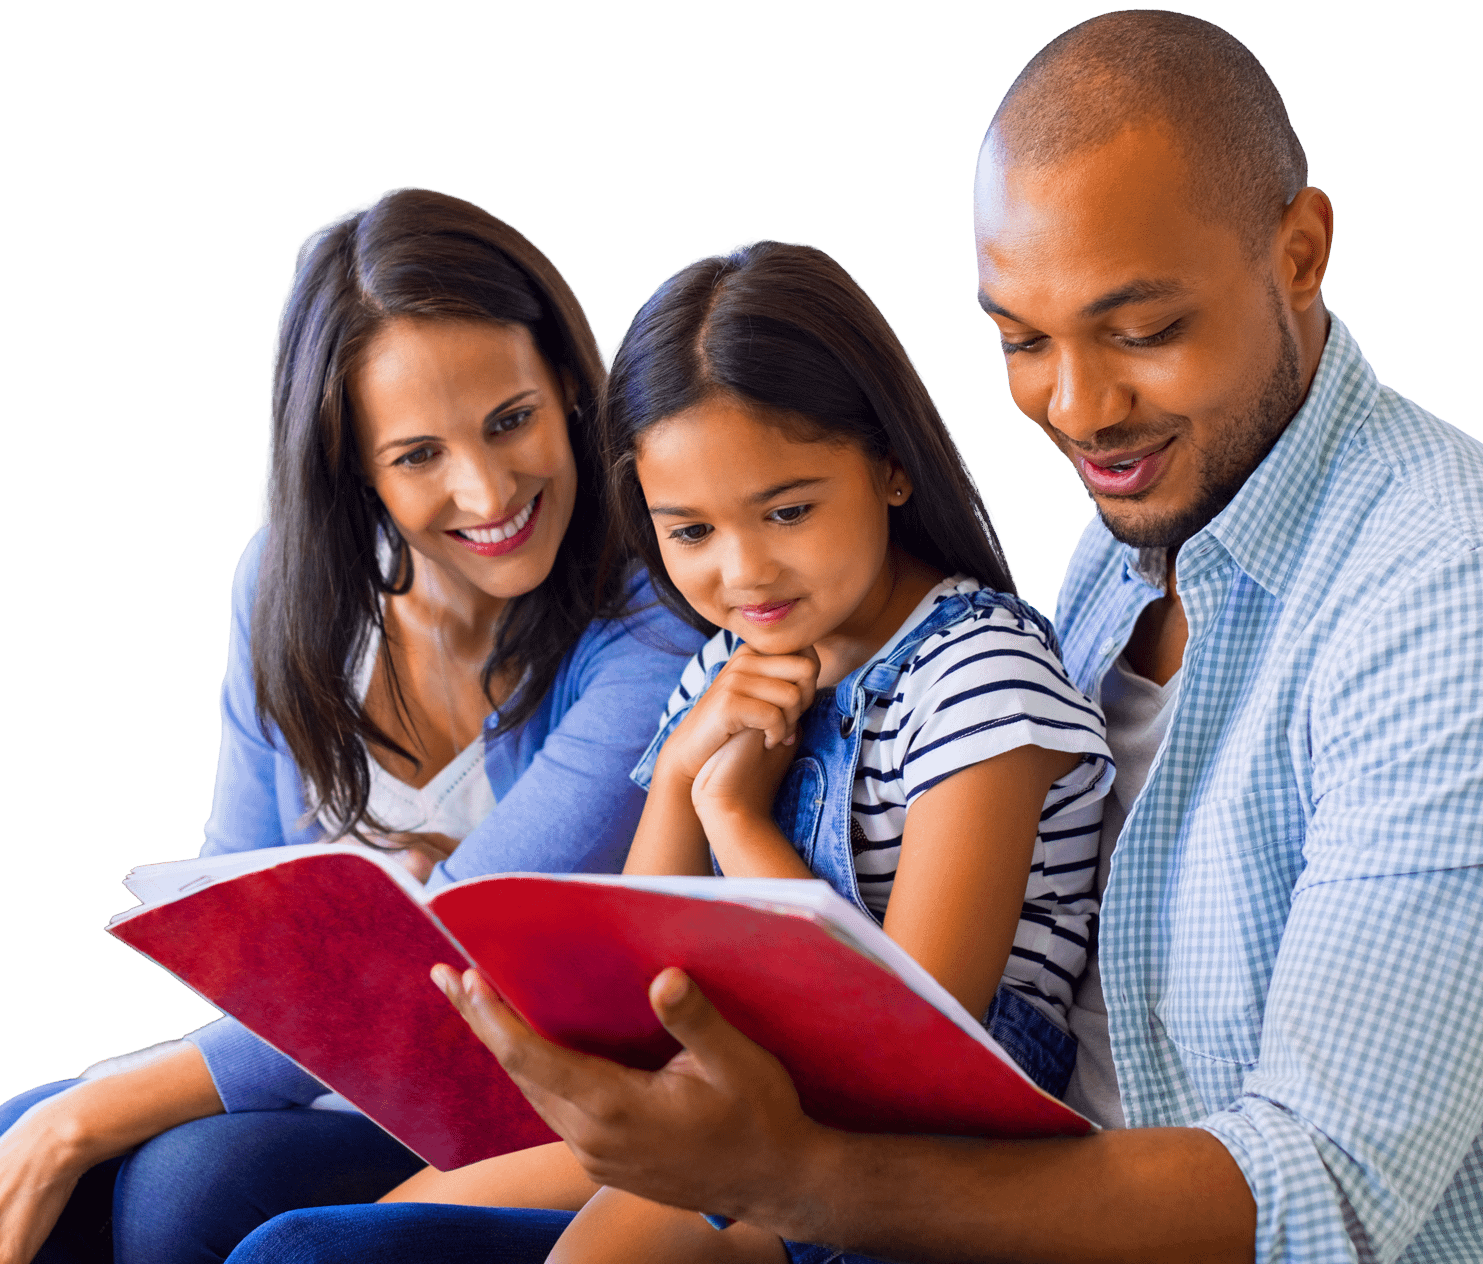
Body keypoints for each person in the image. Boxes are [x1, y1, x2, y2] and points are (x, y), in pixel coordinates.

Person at [239, 13, 1481, 1264]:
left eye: (1144, 331)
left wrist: (798, 1175)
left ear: (1304, 251)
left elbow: (1324, 1188)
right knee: (302, 1237)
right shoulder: (1130, 533)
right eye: (1021, 340)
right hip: (879, 1164)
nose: (1078, 409)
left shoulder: (1436, 585)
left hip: (954, 1187)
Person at [249, 238, 1115, 1262]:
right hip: (733, 1087)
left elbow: (906, 1042)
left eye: (787, 510)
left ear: (887, 462)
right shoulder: (724, 666)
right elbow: (639, 987)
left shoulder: (978, 676)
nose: (745, 570)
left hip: (909, 1148)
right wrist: (674, 777)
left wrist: (734, 818)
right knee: (320, 1239)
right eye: (690, 531)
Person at [0, 187, 704, 1264]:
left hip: (515, 1111)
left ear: (566, 383)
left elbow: (434, 980)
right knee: (14, 1137)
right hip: (322, 1077)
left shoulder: (650, 623)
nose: (486, 486)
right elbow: (235, 916)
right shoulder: (287, 584)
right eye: (418, 454)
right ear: (351, 463)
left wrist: (87, 1111)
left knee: (167, 1185)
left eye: (510, 420)